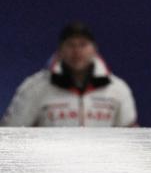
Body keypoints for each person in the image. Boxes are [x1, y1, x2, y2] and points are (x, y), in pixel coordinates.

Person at [1, 22, 137, 127]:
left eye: (83, 45)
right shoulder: (35, 87)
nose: (77, 51)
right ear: (60, 50)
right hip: (49, 163)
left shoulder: (117, 89)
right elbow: (11, 133)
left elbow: (130, 139)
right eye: (70, 45)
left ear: (94, 50)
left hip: (102, 163)